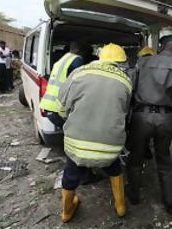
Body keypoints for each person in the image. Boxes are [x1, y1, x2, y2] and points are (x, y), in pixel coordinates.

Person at [57, 43, 132, 222]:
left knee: (71, 173)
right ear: (121, 63)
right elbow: (124, 112)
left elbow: (61, 109)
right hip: (110, 147)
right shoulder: (125, 81)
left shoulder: (79, 73)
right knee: (114, 168)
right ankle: (120, 207)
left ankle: (67, 212)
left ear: (100, 58)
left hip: (77, 146)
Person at [126, 34, 172, 214]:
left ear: (161, 46)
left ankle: (133, 197)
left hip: (141, 117)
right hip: (165, 118)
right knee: (164, 159)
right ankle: (169, 202)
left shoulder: (143, 62)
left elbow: (129, 90)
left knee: (135, 158)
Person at [40, 42, 86, 128]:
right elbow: (80, 82)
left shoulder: (64, 58)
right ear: (79, 50)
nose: (85, 55)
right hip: (58, 108)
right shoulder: (77, 59)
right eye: (85, 51)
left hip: (48, 106)